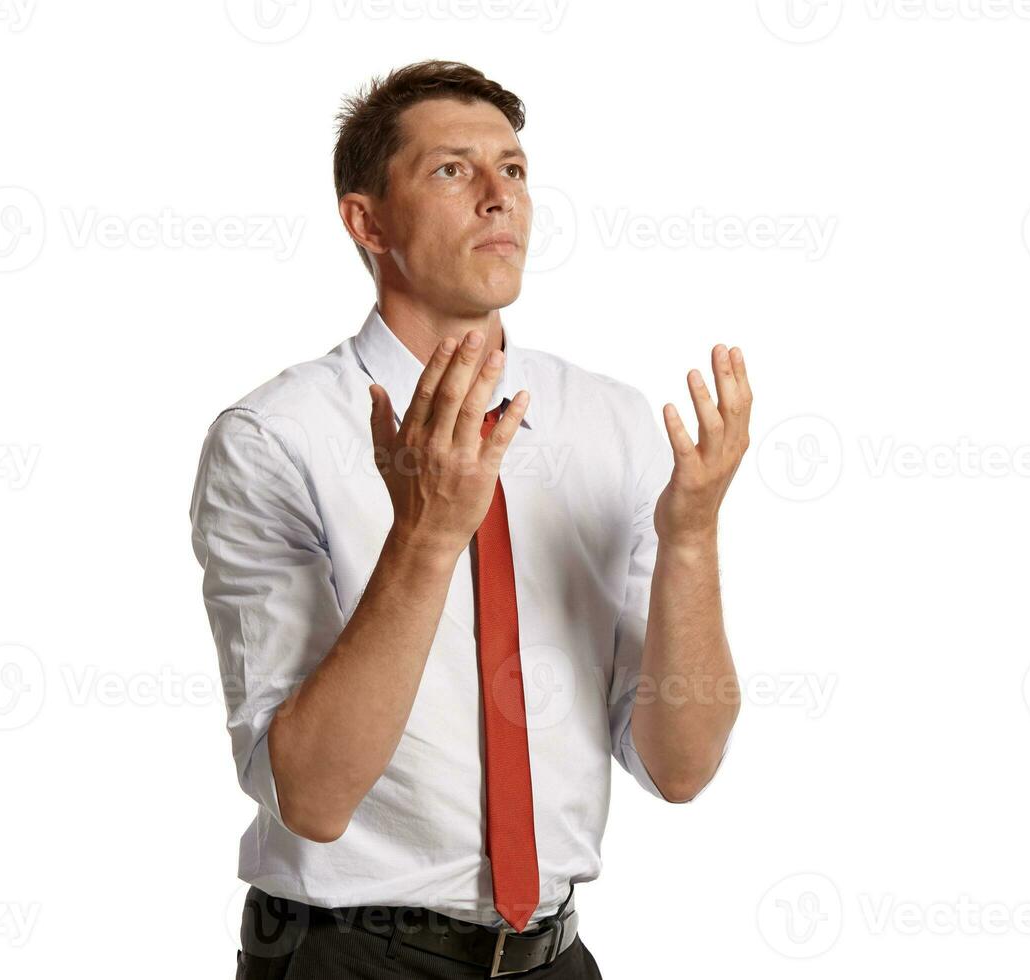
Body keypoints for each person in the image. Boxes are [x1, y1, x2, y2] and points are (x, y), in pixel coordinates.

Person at [189, 59, 749, 979]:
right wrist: (427, 537)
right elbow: (313, 797)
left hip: (553, 957)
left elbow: (681, 770)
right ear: (366, 221)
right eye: (453, 169)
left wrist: (692, 542)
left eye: (515, 170)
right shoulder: (274, 438)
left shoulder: (612, 423)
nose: (500, 198)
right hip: (347, 960)